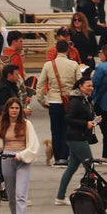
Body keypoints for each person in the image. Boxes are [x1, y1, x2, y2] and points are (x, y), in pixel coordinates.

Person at [37, 29, 84, 167]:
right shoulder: (74, 65)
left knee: (56, 130)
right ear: (68, 50)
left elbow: (40, 86)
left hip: (54, 101)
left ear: (56, 49)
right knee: (67, 130)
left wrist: (42, 101)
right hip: (69, 101)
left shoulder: (48, 65)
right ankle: (65, 156)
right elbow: (80, 84)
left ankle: (58, 158)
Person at [54, 79, 98, 203]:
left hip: (78, 136)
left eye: (92, 85)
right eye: (88, 85)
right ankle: (83, 191)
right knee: (90, 167)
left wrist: (94, 120)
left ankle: (60, 196)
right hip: (77, 138)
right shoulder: (76, 101)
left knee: (72, 167)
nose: (91, 88)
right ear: (80, 86)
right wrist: (85, 124)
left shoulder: (85, 99)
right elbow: (68, 118)